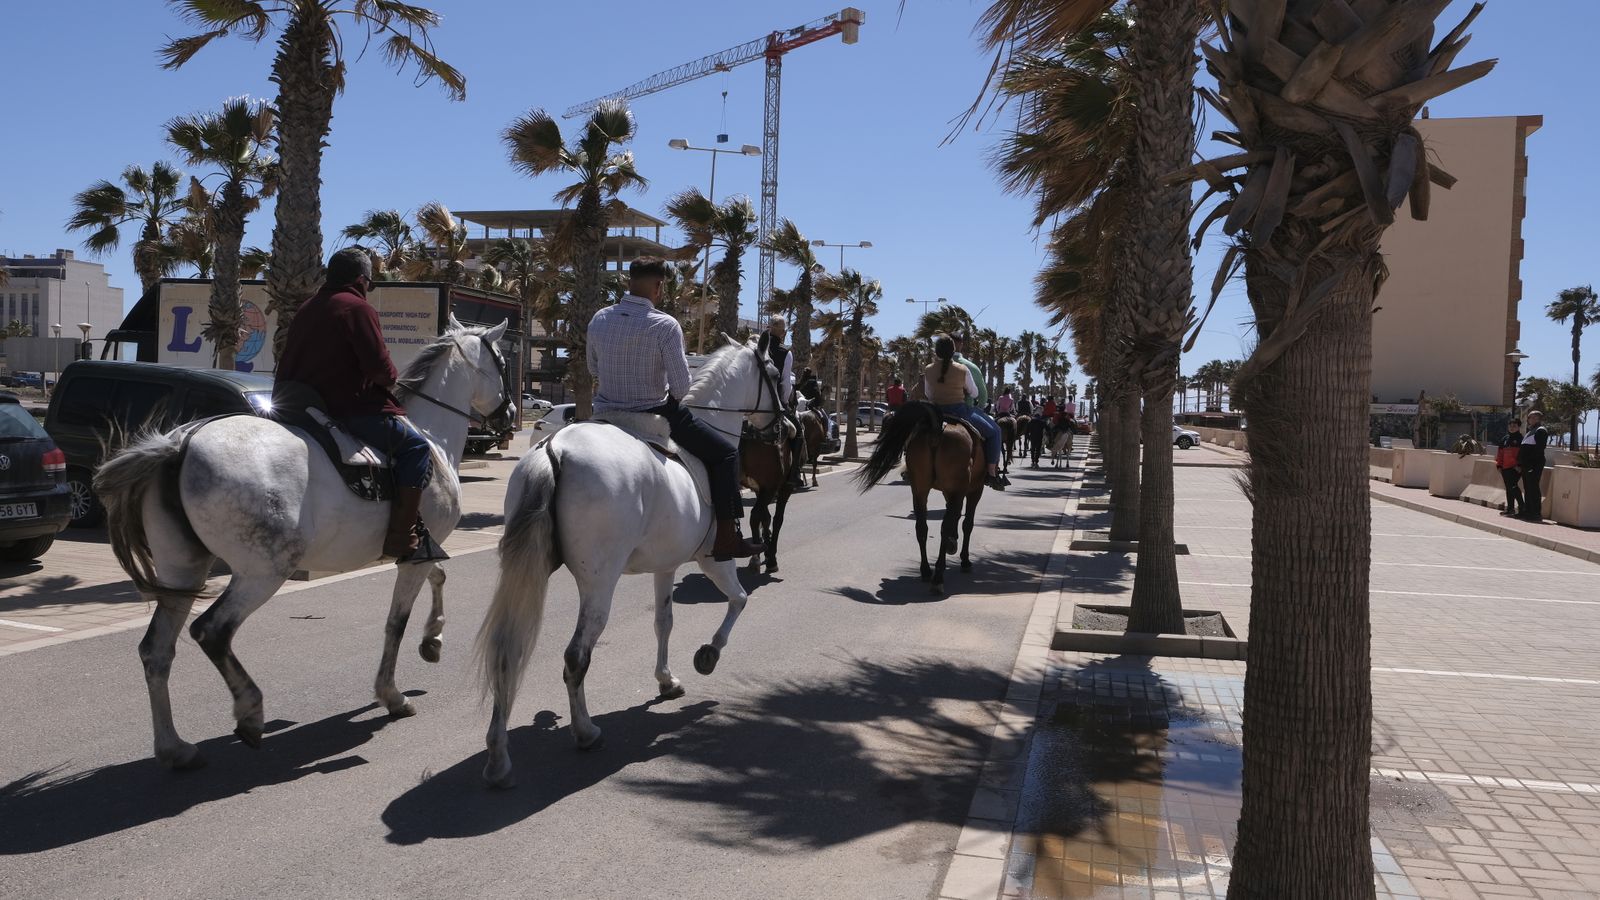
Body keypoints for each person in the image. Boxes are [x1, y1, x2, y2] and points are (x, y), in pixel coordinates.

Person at [587, 257, 763, 560]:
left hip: (603, 414)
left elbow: (593, 369)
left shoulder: (599, 319)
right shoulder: (665, 325)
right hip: (653, 412)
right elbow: (681, 389)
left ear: (629, 281)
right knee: (726, 454)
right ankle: (727, 538)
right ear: (658, 286)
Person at [276, 246, 434, 562]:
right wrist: (391, 376)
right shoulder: (358, 309)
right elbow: (381, 371)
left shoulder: (307, 307)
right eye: (368, 285)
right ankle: (402, 536)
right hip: (347, 410)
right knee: (416, 448)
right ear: (362, 280)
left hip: (298, 409)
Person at [922, 335, 1007, 490]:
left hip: (934, 412)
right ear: (953, 349)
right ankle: (991, 473)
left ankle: (910, 466)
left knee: (912, 431)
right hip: (959, 411)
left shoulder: (928, 369)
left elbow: (928, 394)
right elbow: (975, 393)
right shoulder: (963, 369)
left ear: (936, 351)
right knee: (995, 432)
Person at [762, 317, 806, 489]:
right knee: (799, 433)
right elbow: (786, 384)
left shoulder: (756, 349)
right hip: (775, 405)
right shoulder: (785, 353)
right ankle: (793, 473)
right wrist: (784, 403)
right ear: (783, 333)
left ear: (768, 329)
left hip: (752, 403)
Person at [1517, 410, 1549, 523]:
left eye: (1535, 417)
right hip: (1526, 465)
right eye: (1530, 417)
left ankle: (1535, 513)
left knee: (1533, 488)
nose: (1532, 419)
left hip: (1534, 464)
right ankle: (1528, 511)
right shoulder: (1530, 431)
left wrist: (1530, 464)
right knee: (1527, 488)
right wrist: (1520, 463)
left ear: (1539, 419)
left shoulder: (1541, 430)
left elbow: (1539, 449)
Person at [1496, 418, 1525, 517]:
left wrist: (1519, 465)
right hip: (1505, 468)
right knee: (1509, 488)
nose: (1512, 428)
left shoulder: (1522, 439)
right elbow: (1500, 454)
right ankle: (1510, 509)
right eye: (1510, 426)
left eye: (1514, 426)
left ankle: (1522, 508)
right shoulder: (1504, 439)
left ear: (1519, 427)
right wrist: (1499, 465)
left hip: (1515, 468)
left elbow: (1523, 454)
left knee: (1513, 486)